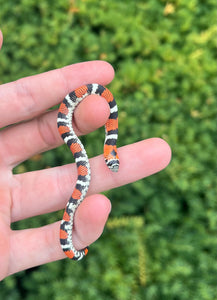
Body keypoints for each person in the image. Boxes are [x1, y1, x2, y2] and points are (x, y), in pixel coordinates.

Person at [0, 30, 171, 280]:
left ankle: (70, 247)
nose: (112, 163)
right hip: (70, 113)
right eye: (112, 160)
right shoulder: (101, 136)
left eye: (111, 161)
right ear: (108, 152)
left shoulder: (109, 137)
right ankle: (70, 247)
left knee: (79, 195)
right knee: (78, 187)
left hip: (81, 112)